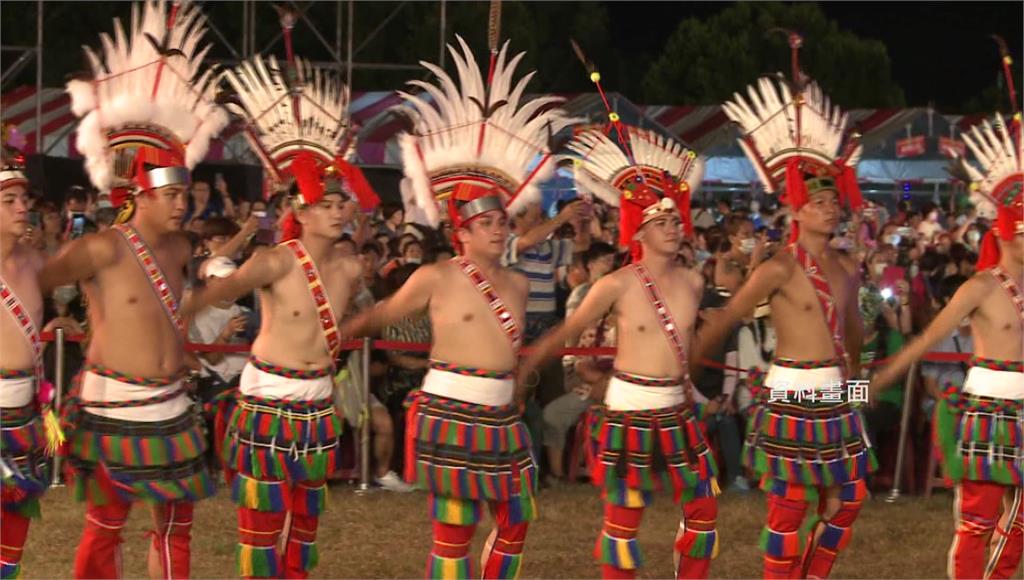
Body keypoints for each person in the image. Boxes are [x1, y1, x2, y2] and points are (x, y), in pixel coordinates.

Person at [342, 36, 572, 579]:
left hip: (501, 412)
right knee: (454, 530)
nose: (498, 229)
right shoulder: (436, 276)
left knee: (515, 520)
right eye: (486, 223)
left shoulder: (517, 284)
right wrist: (339, 330)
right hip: (451, 409)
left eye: (502, 221)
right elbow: (385, 314)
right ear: (461, 232)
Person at [43, 4, 228, 578]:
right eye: (172, 196)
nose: (183, 204)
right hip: (111, 404)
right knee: (107, 524)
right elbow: (34, 281)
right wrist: (45, 325)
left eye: (187, 194)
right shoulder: (100, 248)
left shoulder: (180, 249)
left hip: (170, 403)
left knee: (176, 525)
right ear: (140, 195)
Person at [700, 48, 874, 579]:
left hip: (836, 389)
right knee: (791, 507)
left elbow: (856, 334)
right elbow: (729, 318)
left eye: (833, 202)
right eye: (820, 203)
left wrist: (860, 381)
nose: (831, 208)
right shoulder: (777, 266)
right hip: (790, 390)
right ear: (796, 209)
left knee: (850, 496)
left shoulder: (846, 267)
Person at [197, 50, 364, 578]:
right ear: (300, 209)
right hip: (268, 398)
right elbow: (220, 292)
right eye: (328, 203)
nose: (340, 210)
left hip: (317, 404)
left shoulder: (353, 268)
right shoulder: (274, 262)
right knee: (263, 526)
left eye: (343, 203)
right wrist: (208, 276)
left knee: (305, 523)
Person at [527, 121, 717, 579]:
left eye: (676, 220)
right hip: (629, 404)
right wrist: (528, 364)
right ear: (639, 232)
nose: (673, 228)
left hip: (677, 406)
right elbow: (570, 329)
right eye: (661, 222)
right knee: (623, 519)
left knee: (704, 511)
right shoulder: (616, 284)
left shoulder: (694, 281)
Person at [873, 112, 1023, 580]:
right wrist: (885, 376)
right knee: (976, 524)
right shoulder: (980, 286)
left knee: (1019, 526)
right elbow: (929, 338)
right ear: (1003, 230)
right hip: (989, 408)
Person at [0, 151, 52, 580]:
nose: (22, 207)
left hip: (25, 412)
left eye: (23, 198)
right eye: (9, 200)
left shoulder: (37, 263)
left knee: (18, 511)